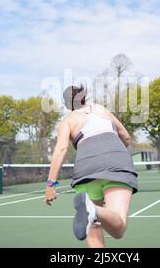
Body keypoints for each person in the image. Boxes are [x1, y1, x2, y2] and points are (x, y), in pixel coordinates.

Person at [45, 85, 138, 248]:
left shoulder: (66, 120)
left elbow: (61, 149)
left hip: (86, 170)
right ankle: (94, 211)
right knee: (118, 229)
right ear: (84, 97)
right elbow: (126, 137)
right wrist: (114, 151)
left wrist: (50, 184)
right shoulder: (102, 109)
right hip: (117, 164)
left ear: (67, 104)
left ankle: (92, 211)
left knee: (93, 233)